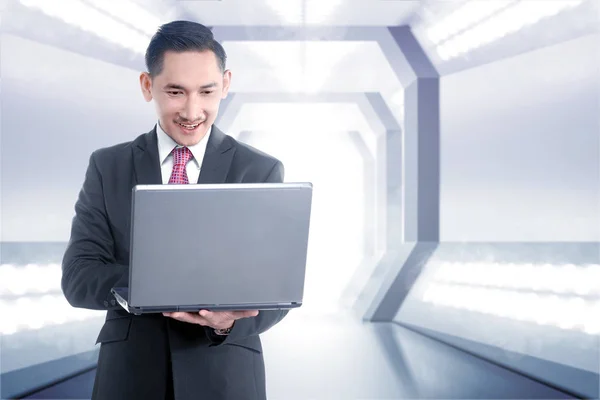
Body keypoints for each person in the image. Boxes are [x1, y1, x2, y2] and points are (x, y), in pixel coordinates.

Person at [61, 20, 288, 400]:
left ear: (226, 85)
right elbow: (80, 277)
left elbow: (275, 289)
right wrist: (157, 286)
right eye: (176, 92)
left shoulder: (260, 170)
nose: (192, 110)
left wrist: (227, 322)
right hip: (131, 374)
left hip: (225, 375)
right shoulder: (108, 167)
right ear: (148, 86)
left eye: (207, 91)